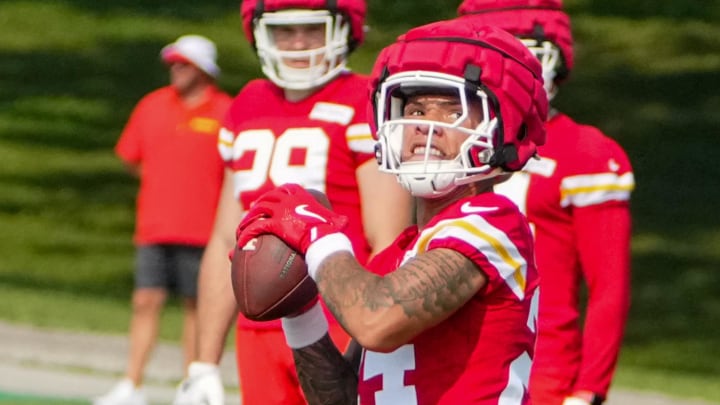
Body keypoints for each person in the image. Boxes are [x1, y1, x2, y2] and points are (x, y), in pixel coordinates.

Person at [235, 19, 549, 405]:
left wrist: (317, 237)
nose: (423, 127)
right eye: (415, 110)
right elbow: (343, 400)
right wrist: (300, 312)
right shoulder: (394, 259)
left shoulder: (492, 222)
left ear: (505, 125)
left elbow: (376, 322)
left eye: (452, 111)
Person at [172, 0, 413, 404]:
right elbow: (224, 241)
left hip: (336, 317)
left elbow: (388, 239)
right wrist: (204, 363)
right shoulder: (246, 104)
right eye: (286, 31)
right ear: (261, 33)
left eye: (312, 30)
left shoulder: (364, 100)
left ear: (344, 30)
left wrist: (369, 333)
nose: (299, 44)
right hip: (261, 323)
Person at [457, 1, 636, 404]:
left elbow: (609, 285)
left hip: (541, 366)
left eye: (530, 55)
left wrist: (589, 386)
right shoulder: (445, 141)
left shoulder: (583, 151)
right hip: (453, 355)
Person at [93, 35, 233, 405]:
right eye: (173, 63)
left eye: (183, 64)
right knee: (145, 301)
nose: (175, 70)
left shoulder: (225, 112)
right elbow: (130, 155)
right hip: (155, 225)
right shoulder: (152, 106)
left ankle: (190, 386)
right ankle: (131, 385)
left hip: (205, 229)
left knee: (196, 308)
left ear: (204, 70)